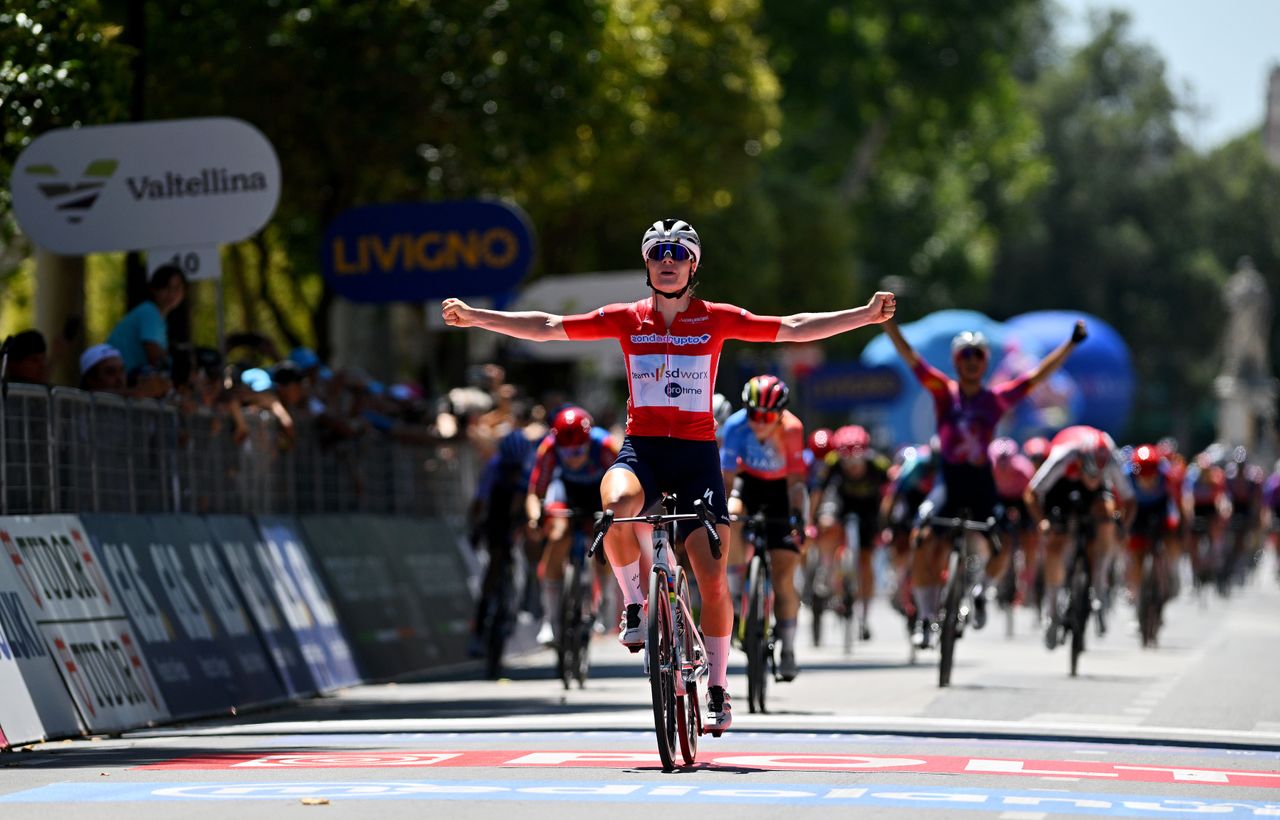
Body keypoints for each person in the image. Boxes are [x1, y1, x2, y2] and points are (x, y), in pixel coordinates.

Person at [443, 217, 896, 732]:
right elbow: (548, 327)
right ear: (647, 262)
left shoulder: (716, 318)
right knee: (613, 508)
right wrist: (479, 318)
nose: (667, 259)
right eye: (657, 250)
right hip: (644, 450)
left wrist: (863, 315)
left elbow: (791, 328)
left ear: (692, 264)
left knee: (712, 578)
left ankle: (720, 689)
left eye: (678, 252)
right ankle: (635, 606)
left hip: (698, 453)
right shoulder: (626, 318)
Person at [881, 319, 1085, 649]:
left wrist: (1071, 344)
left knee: (1003, 540)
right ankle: (925, 617)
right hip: (948, 481)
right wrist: (888, 327)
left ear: (986, 362)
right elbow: (910, 358)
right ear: (956, 361)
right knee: (922, 539)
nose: (972, 361)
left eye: (978, 355)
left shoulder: (997, 399)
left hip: (981, 483)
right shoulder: (943, 392)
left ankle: (981, 593)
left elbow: (1037, 377)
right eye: (966, 355)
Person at [719, 375, 807, 681]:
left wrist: (797, 515)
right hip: (748, 485)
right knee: (729, 518)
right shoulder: (734, 426)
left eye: (769, 416)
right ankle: (734, 596)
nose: (761, 422)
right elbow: (727, 479)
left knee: (784, 574)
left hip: (782, 491)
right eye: (755, 414)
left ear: (781, 413)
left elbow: (796, 482)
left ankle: (789, 650)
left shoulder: (792, 429)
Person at [1024, 425, 1134, 648]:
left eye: (1098, 475)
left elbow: (1130, 500)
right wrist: (1043, 522)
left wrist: (1122, 527)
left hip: (1093, 493)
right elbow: (1032, 493)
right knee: (1056, 542)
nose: (1093, 479)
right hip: (1062, 485)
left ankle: (1100, 585)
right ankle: (1052, 612)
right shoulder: (1064, 454)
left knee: (1107, 517)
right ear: (1083, 461)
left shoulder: (1110, 458)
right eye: (1091, 473)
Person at [525, 405, 619, 646]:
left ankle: (606, 598)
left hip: (600, 492)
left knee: (605, 539)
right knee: (557, 535)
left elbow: (620, 485)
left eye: (578, 451)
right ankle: (550, 617)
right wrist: (535, 518)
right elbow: (535, 493)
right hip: (566, 493)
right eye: (566, 454)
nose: (573, 458)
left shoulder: (606, 446)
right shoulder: (549, 447)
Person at [812, 424, 890, 640]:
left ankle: (864, 615)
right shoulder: (832, 463)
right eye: (847, 461)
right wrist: (811, 521)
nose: (852, 466)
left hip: (869, 509)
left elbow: (890, 496)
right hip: (841, 502)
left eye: (857, 460)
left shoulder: (879, 465)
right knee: (827, 524)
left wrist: (885, 525)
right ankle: (827, 568)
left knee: (866, 561)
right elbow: (819, 492)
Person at [106, 264, 187, 379]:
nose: (172, 293)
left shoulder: (158, 317)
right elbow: (155, 357)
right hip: (120, 380)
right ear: (154, 289)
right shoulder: (150, 312)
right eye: (166, 287)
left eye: (177, 288)